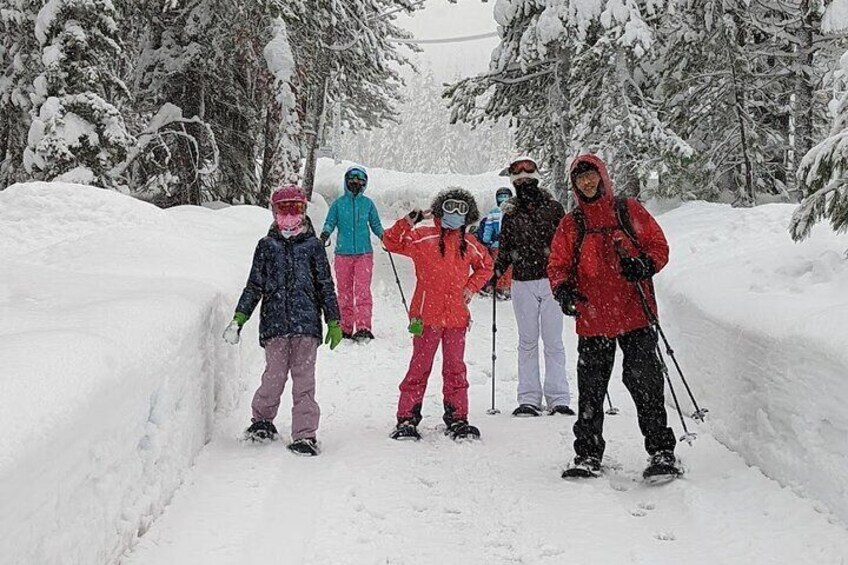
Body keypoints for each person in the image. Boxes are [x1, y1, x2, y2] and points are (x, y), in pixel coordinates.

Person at [547, 154, 681, 480]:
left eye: (591, 175)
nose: (587, 182)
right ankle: (588, 454)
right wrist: (563, 290)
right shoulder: (573, 223)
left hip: (635, 314)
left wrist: (644, 264)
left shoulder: (628, 210)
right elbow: (558, 264)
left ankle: (662, 452)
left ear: (602, 176)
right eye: (580, 179)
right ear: (575, 185)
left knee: (645, 385)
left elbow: (658, 246)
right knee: (591, 390)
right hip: (593, 320)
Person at [223, 185, 342, 457]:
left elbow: (325, 286)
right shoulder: (266, 246)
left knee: (304, 382)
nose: (289, 215)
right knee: (273, 378)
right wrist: (239, 318)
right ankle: (262, 421)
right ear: (274, 212)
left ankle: (305, 434)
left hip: (306, 326)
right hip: (275, 325)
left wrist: (334, 320)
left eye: (295, 209)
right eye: (283, 209)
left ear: (303, 211)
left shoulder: (313, 247)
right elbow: (254, 286)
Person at [382, 187, 493, 441]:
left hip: (456, 318)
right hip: (425, 317)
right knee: (419, 367)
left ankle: (457, 417)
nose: (455, 213)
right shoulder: (423, 237)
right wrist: (413, 218)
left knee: (455, 368)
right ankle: (407, 418)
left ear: (469, 214)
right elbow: (390, 241)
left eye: (461, 208)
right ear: (440, 208)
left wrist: (470, 287)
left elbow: (486, 266)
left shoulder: (470, 244)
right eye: (450, 207)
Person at [493, 157, 574, 418]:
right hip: (522, 283)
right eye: (519, 180)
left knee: (553, 341)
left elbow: (565, 244)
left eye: (528, 178)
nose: (524, 182)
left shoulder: (554, 208)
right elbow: (505, 247)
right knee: (527, 342)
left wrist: (572, 273)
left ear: (537, 179)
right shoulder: (510, 213)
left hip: (551, 282)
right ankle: (528, 398)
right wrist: (496, 269)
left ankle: (559, 398)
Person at [320, 165, 384, 342]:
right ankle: (345, 327)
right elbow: (330, 222)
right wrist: (325, 233)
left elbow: (376, 225)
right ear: (346, 181)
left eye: (360, 180)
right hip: (342, 253)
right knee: (344, 291)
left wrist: (384, 237)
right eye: (352, 179)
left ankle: (363, 326)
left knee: (362, 291)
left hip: (364, 253)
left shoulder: (368, 204)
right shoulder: (339, 204)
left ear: (365, 183)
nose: (356, 182)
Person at [476, 187, 513, 299]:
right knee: (508, 267)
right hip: (509, 245)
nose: (502, 199)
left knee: (496, 266)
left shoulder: (493, 213)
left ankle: (498, 287)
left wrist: (487, 240)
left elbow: (488, 229)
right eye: (501, 196)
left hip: (496, 245)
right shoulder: (514, 212)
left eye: (504, 196)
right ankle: (505, 287)